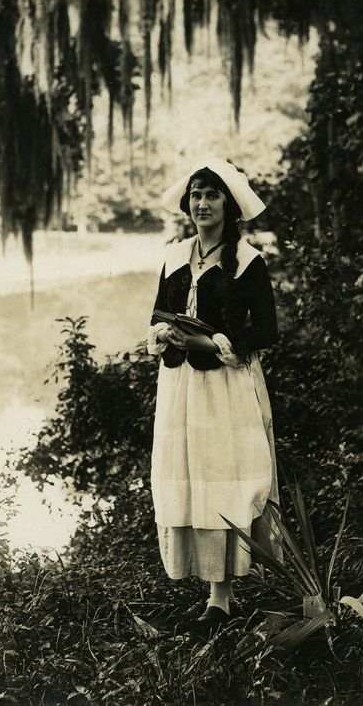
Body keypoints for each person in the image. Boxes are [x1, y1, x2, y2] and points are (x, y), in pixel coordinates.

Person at [147, 157, 280, 625]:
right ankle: (207, 590)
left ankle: (220, 598)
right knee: (189, 470)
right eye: (196, 195)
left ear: (229, 204)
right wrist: (163, 335)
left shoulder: (246, 262)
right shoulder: (174, 256)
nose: (202, 204)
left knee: (222, 472)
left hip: (225, 384)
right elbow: (160, 313)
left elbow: (266, 330)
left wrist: (210, 341)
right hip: (181, 384)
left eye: (212, 195)